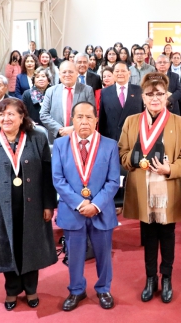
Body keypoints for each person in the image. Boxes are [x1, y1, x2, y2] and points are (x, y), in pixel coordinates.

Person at [0, 98, 57, 311]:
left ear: (22, 117)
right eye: (2, 114)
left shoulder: (37, 138)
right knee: (5, 247)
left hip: (33, 207)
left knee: (31, 246)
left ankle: (30, 288)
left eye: (11, 114)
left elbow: (48, 174)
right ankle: (11, 289)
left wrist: (49, 204)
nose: (6, 118)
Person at [118, 73, 181, 304]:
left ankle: (167, 277)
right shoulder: (131, 121)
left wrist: (171, 169)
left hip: (168, 188)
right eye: (150, 94)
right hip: (142, 188)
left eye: (159, 93)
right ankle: (151, 278)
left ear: (167, 96)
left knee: (168, 235)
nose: (154, 98)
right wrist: (135, 158)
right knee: (148, 235)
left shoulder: (180, 122)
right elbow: (122, 154)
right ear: (142, 97)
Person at [53, 101, 121, 311]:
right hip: (73, 211)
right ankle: (76, 290)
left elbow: (113, 181)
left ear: (96, 120)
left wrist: (97, 204)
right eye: (79, 117)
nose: (84, 122)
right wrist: (80, 203)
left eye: (89, 117)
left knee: (104, 255)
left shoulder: (109, 145)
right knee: (74, 255)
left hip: (101, 211)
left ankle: (103, 289)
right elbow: (58, 179)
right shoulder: (61, 145)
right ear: (72, 120)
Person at [40, 61, 96, 144]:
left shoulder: (87, 90)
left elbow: (92, 115)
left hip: (80, 137)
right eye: (64, 72)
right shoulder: (50, 91)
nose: (67, 75)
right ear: (59, 74)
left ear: (77, 73)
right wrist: (60, 129)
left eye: (70, 72)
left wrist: (73, 128)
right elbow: (43, 114)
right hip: (56, 138)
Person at [99, 62, 144, 141]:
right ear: (113, 73)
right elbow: (102, 119)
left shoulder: (139, 90)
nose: (120, 73)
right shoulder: (105, 92)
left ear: (129, 73)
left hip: (135, 138)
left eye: (123, 71)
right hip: (112, 138)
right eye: (117, 71)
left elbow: (144, 115)